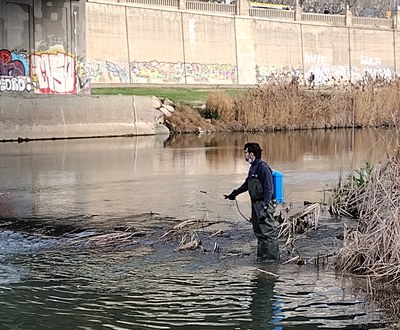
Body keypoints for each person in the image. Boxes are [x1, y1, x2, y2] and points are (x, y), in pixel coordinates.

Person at [225, 142, 279, 262]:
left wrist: (265, 208)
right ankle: (262, 258)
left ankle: (273, 260)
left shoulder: (263, 168)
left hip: (264, 204)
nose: (244, 155)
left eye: (245, 152)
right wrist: (235, 193)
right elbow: (247, 184)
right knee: (259, 233)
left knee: (269, 233)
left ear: (252, 154)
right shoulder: (252, 168)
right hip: (255, 204)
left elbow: (269, 189)